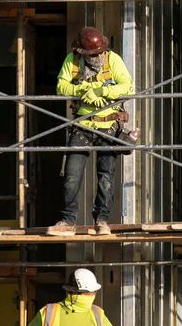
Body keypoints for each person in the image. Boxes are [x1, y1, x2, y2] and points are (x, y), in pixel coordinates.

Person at [46, 27, 134, 237]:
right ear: (82, 52)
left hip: (108, 126)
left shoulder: (113, 60)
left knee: (106, 178)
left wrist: (101, 90)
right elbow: (61, 87)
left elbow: (128, 87)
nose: (97, 56)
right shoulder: (72, 60)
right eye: (93, 53)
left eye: (100, 52)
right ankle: (68, 221)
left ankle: (101, 220)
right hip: (82, 127)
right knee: (72, 177)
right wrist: (84, 91)